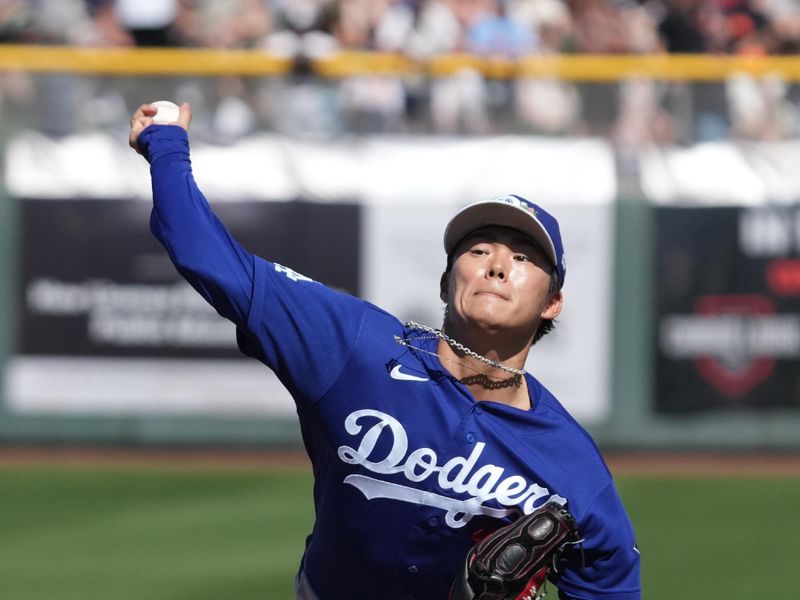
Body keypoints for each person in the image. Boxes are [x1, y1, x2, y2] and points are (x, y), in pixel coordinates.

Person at [129, 102, 641, 600]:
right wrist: (167, 143)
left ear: (552, 303)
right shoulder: (355, 349)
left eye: (523, 257)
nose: (497, 265)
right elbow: (209, 258)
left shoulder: (572, 470)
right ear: (446, 283)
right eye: (479, 249)